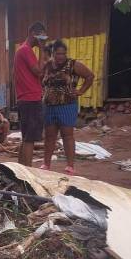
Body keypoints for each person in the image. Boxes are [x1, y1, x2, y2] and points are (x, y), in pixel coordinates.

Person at [41, 39, 94, 175]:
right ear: (53, 53)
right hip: (49, 106)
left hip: (67, 105)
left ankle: (70, 166)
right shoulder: (47, 65)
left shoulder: (73, 64)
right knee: (49, 136)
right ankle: (46, 164)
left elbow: (90, 76)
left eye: (63, 54)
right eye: (58, 54)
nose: (60, 57)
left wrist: (81, 91)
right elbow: (40, 79)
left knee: (67, 135)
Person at [14, 21, 48, 166]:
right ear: (34, 34)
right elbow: (39, 72)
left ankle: (21, 171)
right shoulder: (26, 50)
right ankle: (28, 174)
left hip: (25, 99)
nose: (43, 41)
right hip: (31, 98)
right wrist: (41, 50)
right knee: (30, 139)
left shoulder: (21, 50)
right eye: (41, 37)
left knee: (26, 138)